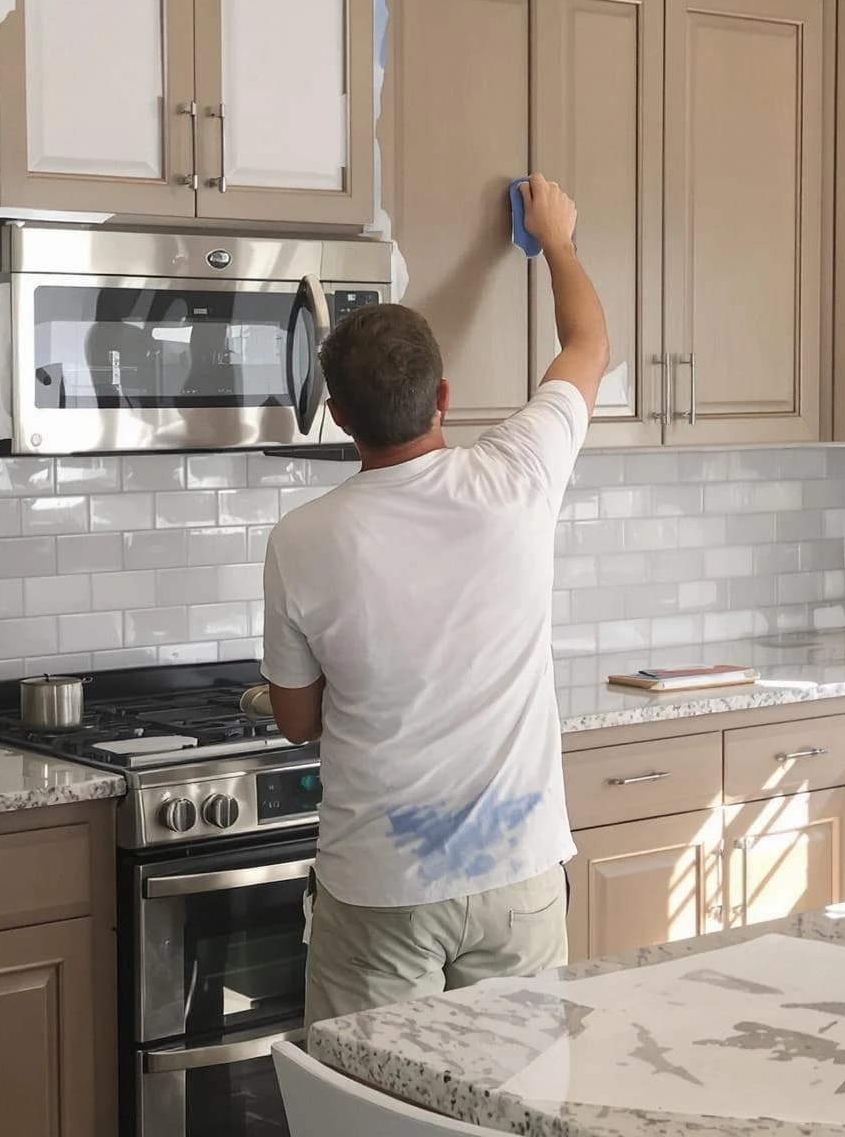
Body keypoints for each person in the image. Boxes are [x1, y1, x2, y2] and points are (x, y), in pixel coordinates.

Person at [258, 173, 605, 1029]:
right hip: (514, 877)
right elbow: (588, 343)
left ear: (336, 416)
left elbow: (298, 723)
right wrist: (555, 239)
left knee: (377, 1124)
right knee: (517, 1111)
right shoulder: (519, 474)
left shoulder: (303, 539)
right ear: (444, 399)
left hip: (383, 888)